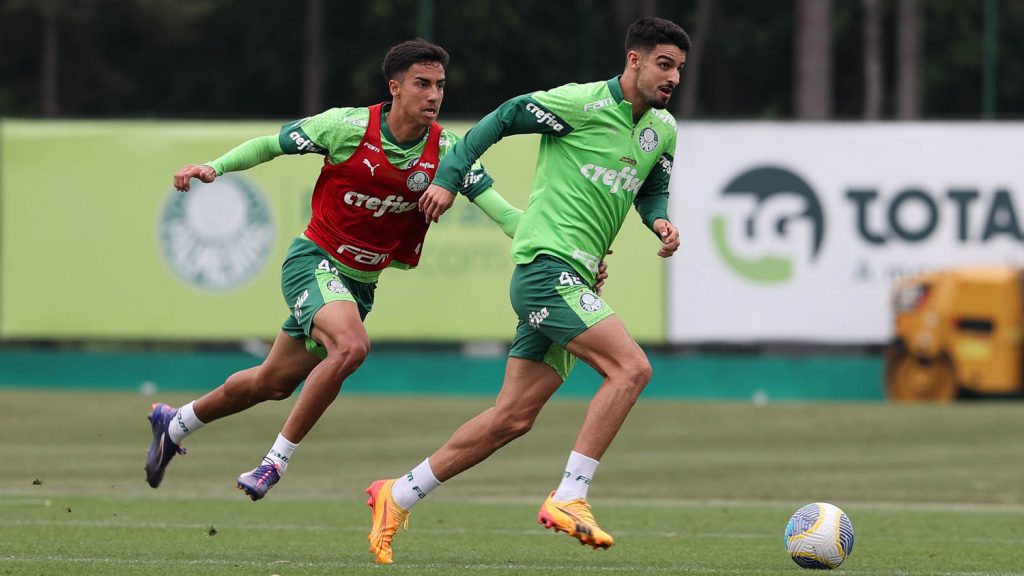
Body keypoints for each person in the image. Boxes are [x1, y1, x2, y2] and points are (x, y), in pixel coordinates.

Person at [144, 39, 529, 500]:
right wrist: (216, 166)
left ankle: (176, 423)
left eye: (440, 86)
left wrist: (560, 251)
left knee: (273, 382)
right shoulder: (346, 127)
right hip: (314, 261)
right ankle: (274, 462)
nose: (433, 95)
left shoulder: (449, 150)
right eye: (422, 84)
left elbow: (506, 215)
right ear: (395, 87)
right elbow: (272, 144)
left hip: (360, 285)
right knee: (350, 348)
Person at [365, 17, 689, 564]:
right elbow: (507, 115)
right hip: (546, 269)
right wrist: (447, 177)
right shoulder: (580, 104)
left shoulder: (663, 129)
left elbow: (651, 187)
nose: (673, 77)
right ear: (633, 60)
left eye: (679, 68)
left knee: (512, 418)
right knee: (631, 369)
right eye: (664, 64)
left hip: (577, 275)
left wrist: (658, 222)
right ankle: (571, 495)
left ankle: (398, 494)